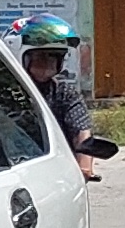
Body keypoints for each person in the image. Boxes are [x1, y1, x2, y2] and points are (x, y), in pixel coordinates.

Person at [15, 14, 116, 165]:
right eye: (40, 56)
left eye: (54, 57)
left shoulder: (63, 93)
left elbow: (81, 129)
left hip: (57, 167)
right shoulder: (0, 94)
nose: (48, 63)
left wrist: (85, 165)